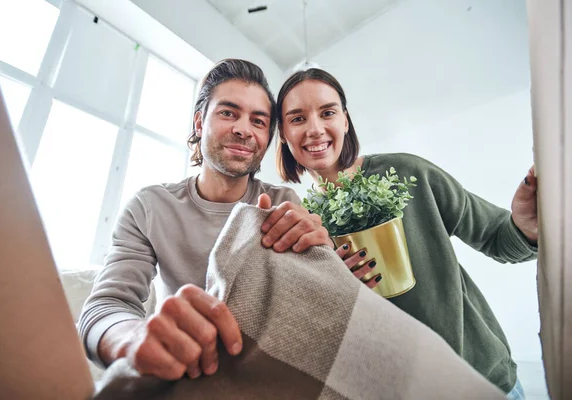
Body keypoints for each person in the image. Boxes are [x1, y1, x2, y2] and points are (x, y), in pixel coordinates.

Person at [275, 68, 538, 399]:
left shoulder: (407, 172)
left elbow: (499, 238)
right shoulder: (303, 226)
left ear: (345, 120)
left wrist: (526, 226)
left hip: (484, 380)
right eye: (297, 119)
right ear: (282, 133)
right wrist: (339, 290)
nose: (315, 129)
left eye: (327, 112)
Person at [78, 59, 333, 382]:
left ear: (268, 138)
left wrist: (324, 259)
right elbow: (104, 308)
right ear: (199, 123)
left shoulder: (284, 204)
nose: (243, 129)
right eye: (228, 113)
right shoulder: (150, 207)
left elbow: (311, 314)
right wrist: (132, 338)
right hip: (184, 375)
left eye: (258, 120)